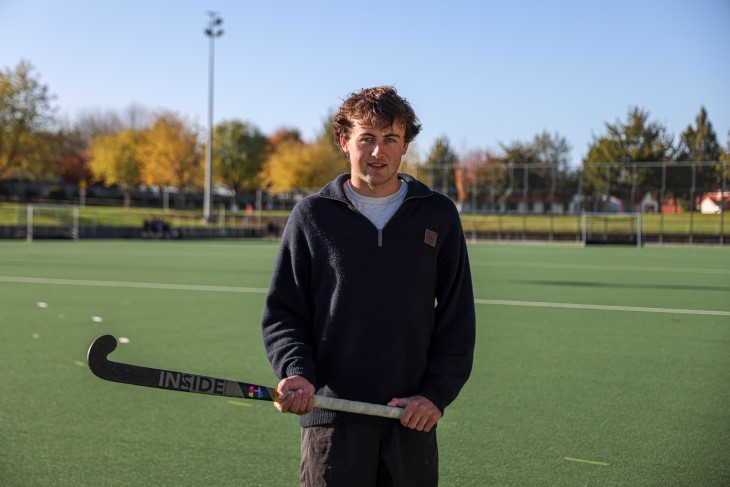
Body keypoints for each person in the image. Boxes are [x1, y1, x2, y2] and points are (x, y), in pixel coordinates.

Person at [261, 86, 476, 486]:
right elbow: (284, 313)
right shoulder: (312, 216)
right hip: (330, 417)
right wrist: (296, 371)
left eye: (390, 139)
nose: (378, 152)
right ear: (345, 142)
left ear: (405, 145)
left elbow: (457, 317)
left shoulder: (438, 214)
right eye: (367, 139)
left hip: (410, 419)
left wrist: (435, 395)